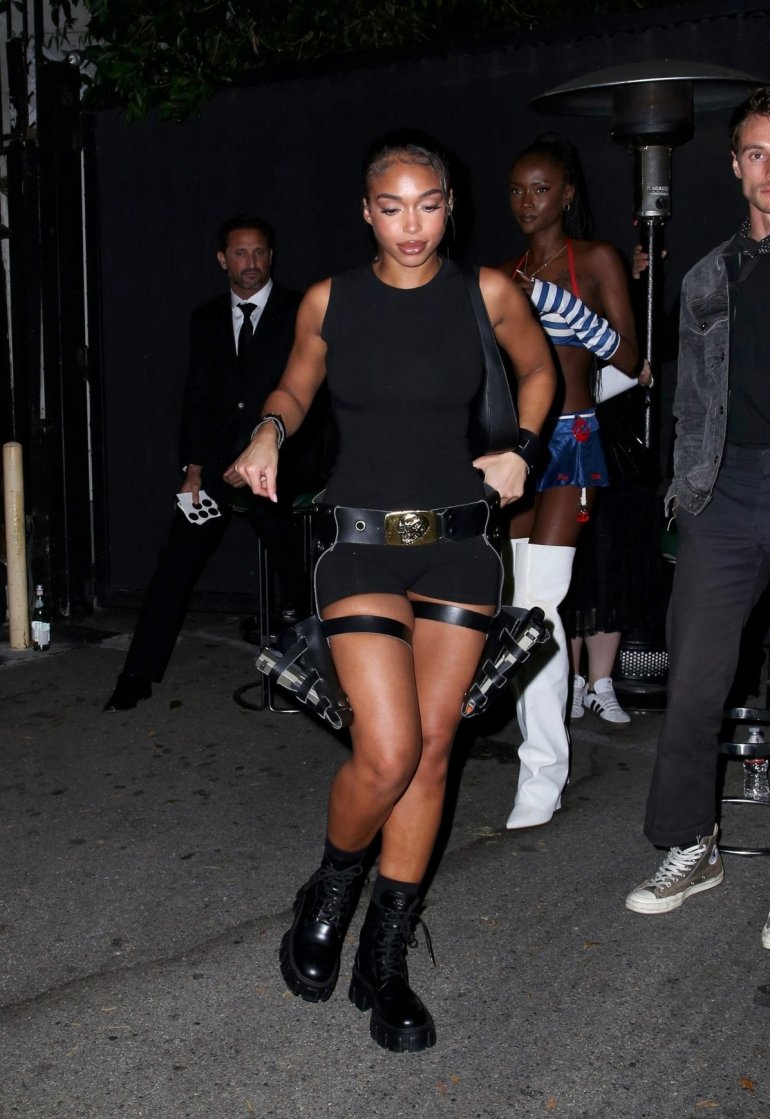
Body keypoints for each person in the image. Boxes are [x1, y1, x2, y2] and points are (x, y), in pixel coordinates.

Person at [227, 131, 555, 1052]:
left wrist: (522, 450)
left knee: (436, 750)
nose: (412, 225)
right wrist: (267, 433)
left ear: (452, 205)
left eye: (429, 204)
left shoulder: (487, 292)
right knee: (388, 751)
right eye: (392, 207)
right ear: (366, 212)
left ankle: (386, 954)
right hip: (362, 546)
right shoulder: (330, 299)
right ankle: (332, 886)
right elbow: (295, 386)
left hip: (459, 549)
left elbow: (540, 371)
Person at [625, 86, 770, 952]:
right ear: (735, 164)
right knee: (694, 682)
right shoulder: (709, 276)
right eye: (756, 152)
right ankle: (693, 843)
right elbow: (688, 397)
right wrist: (684, 488)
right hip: (727, 489)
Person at [104, 215, 310, 711]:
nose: (251, 263)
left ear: (271, 256)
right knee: (176, 560)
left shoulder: (300, 310)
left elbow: (313, 397)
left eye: (259, 252)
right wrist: (193, 469)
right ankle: (136, 674)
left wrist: (278, 454)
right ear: (223, 259)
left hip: (279, 466)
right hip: (217, 466)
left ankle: (323, 673)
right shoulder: (207, 318)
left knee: (301, 569)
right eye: (240, 253)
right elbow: (197, 397)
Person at [498, 133, 641, 828]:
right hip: (518, 448)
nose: (527, 202)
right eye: (517, 190)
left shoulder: (596, 258)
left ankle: (541, 775)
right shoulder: (506, 273)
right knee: (520, 604)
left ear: (568, 194)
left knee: (538, 603)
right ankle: (538, 755)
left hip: (573, 440)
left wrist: (560, 305)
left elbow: (631, 359)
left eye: (541, 189)